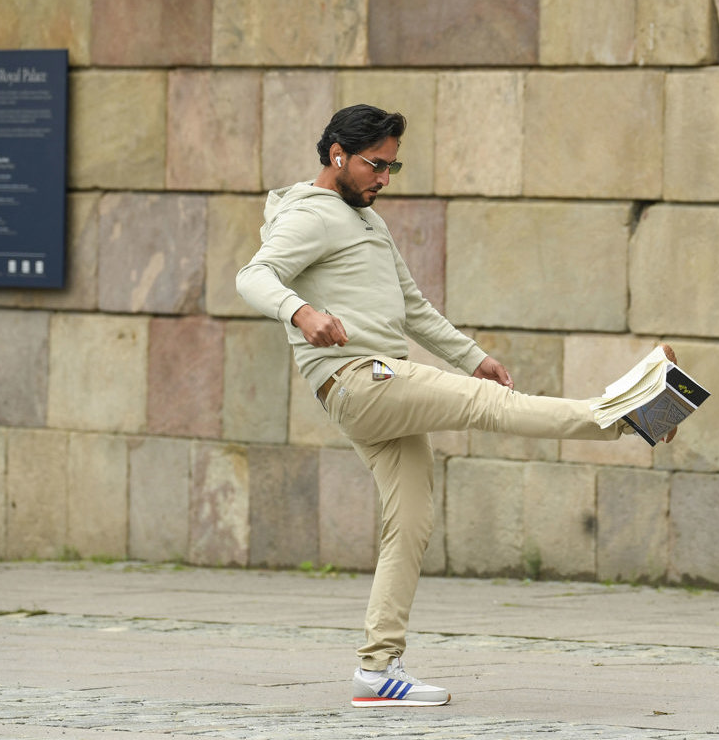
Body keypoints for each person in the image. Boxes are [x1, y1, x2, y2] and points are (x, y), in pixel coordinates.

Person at [236, 104, 675, 708]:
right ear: (337, 152)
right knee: (487, 407)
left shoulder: (366, 220)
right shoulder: (311, 215)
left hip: (382, 384)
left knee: (410, 522)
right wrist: (302, 312)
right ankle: (626, 412)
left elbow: (414, 308)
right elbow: (254, 276)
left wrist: (473, 357)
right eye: (376, 165)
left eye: (394, 166)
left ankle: (376, 670)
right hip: (362, 378)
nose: (385, 178)